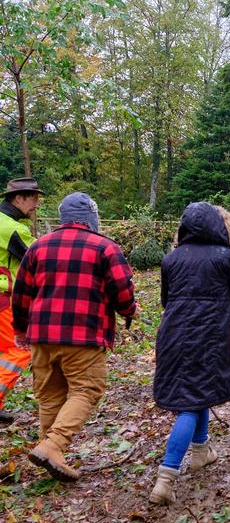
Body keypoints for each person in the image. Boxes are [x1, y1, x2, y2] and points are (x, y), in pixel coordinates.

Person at [12, 192, 136, 481]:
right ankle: (54, 446)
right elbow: (122, 291)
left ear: (63, 218)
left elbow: (22, 293)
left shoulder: (38, 247)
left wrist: (21, 329)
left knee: (50, 395)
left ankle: (49, 453)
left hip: (42, 335)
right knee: (86, 390)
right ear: (92, 218)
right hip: (84, 335)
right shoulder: (105, 247)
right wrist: (130, 309)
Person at [150, 202, 230, 506]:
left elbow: (166, 299)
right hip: (211, 338)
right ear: (218, 227)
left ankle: (201, 452)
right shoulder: (224, 258)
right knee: (191, 404)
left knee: (196, 392)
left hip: (173, 335)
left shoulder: (171, 259)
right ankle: (166, 476)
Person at [0, 177, 43, 424]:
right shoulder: (11, 228)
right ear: (18, 199)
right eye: (33, 198)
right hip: (5, 299)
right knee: (18, 350)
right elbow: (38, 258)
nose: (36, 204)